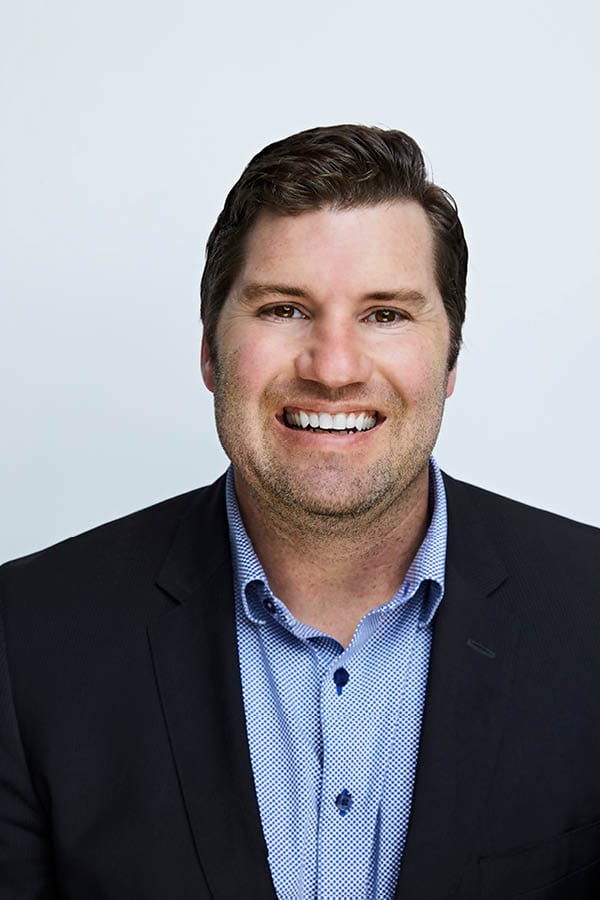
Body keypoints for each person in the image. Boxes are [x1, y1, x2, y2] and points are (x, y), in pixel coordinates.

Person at [0, 125, 599, 900]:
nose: (334, 366)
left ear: (450, 360)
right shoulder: (27, 640)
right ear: (211, 353)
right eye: (284, 309)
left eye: (386, 313)